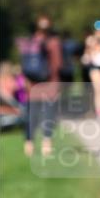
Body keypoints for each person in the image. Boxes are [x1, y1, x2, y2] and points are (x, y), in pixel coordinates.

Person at [16, 15, 63, 158]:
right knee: (49, 114)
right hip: (50, 84)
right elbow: (58, 64)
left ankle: (28, 145)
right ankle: (46, 146)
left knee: (32, 116)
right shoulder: (54, 42)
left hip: (33, 85)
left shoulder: (30, 42)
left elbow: (23, 63)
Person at [81, 20, 100, 118]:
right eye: (98, 31)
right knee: (99, 89)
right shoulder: (90, 40)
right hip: (95, 67)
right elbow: (87, 54)